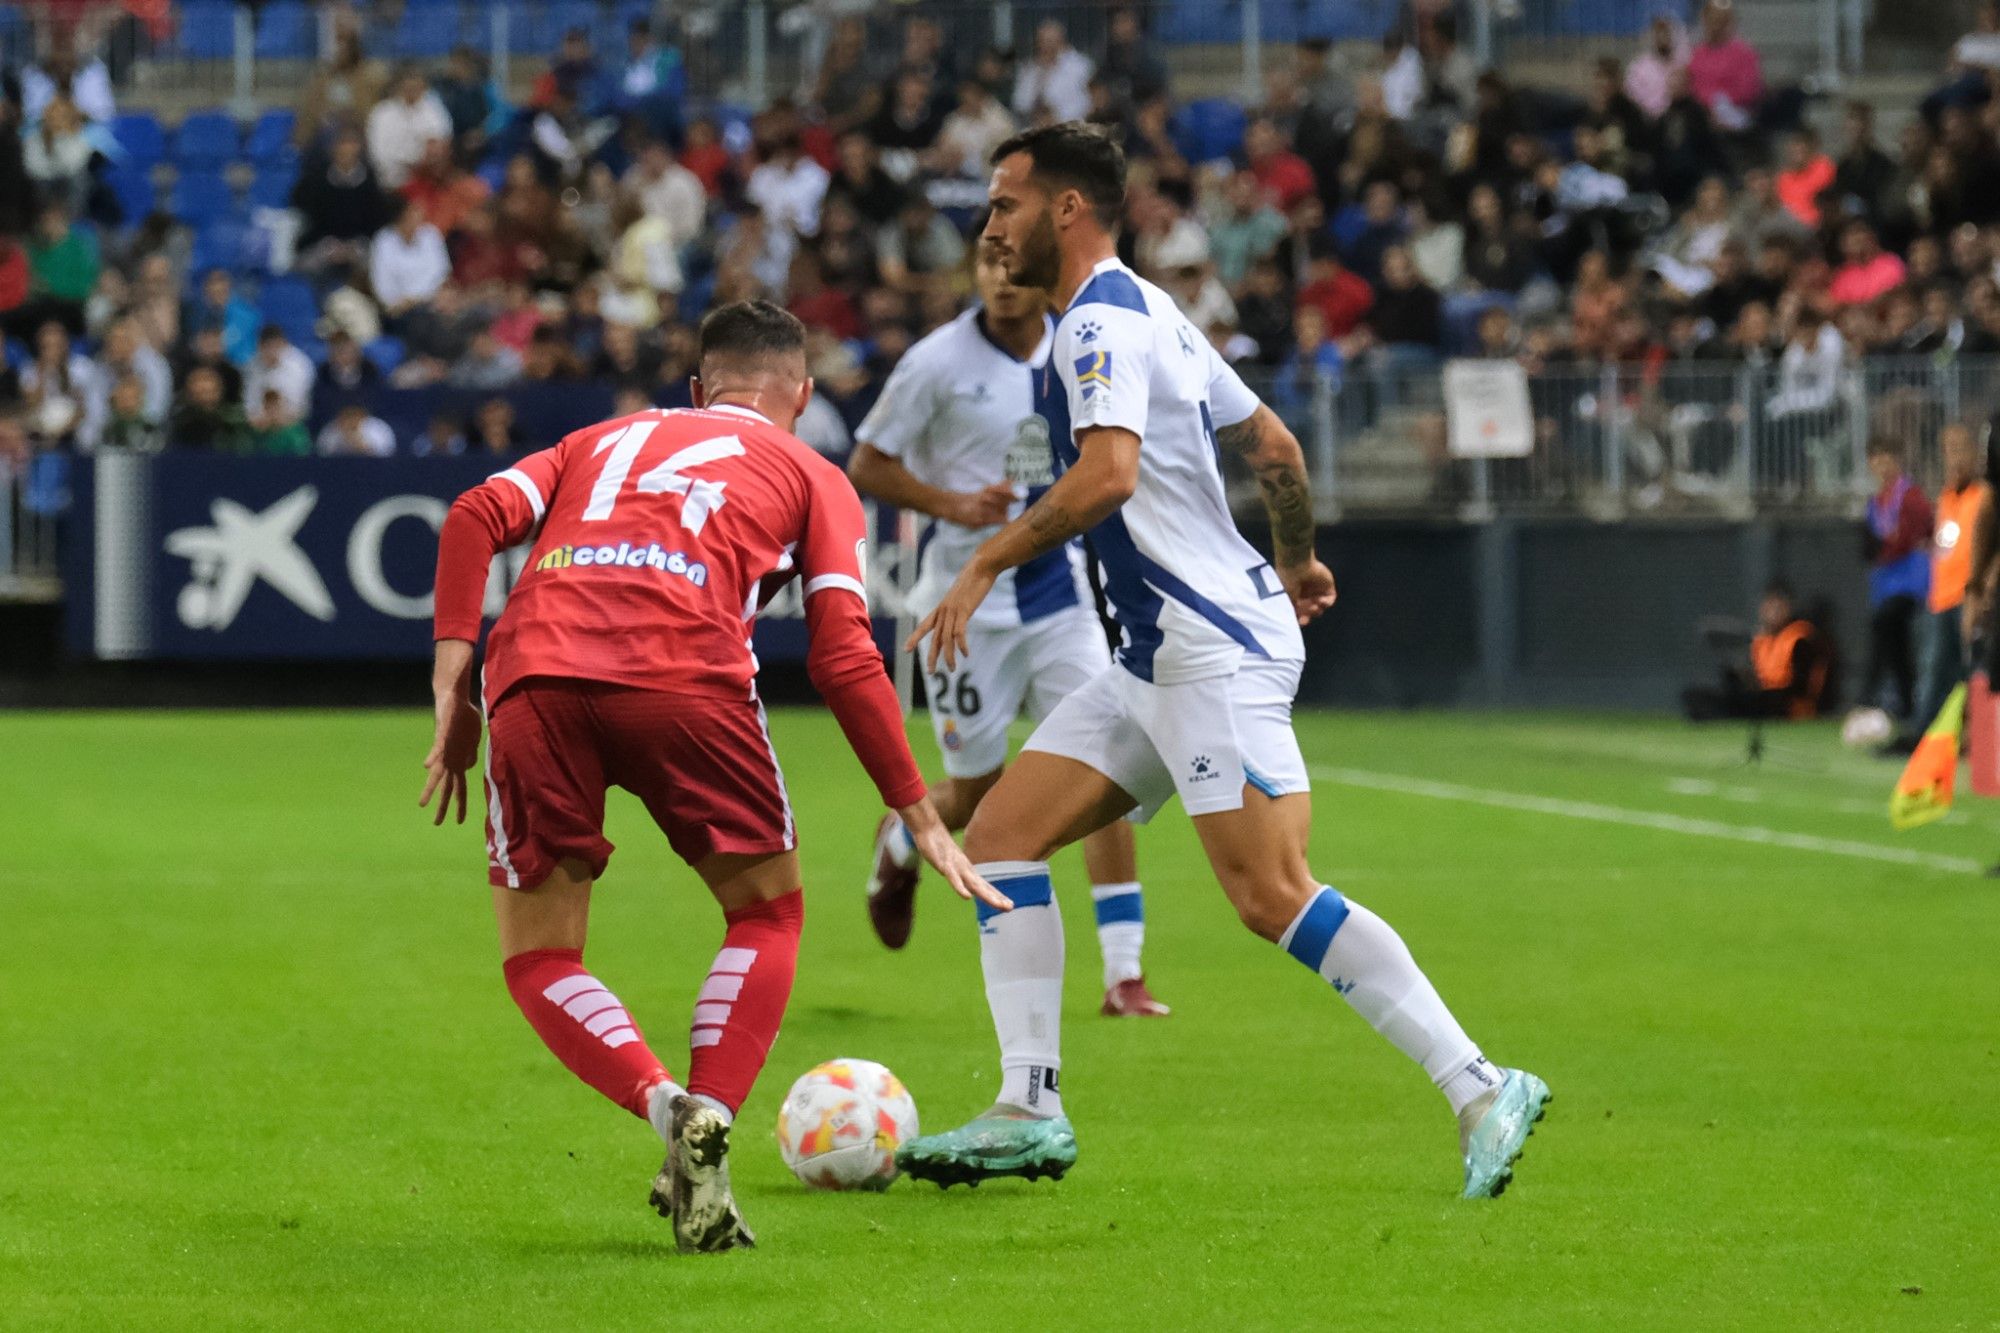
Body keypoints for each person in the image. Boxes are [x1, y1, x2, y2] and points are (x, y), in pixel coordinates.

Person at [893, 124, 1547, 1197]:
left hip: (1201, 649)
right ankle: (1028, 1105)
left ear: (1066, 209)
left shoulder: (1097, 324)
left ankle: (1480, 1082)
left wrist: (982, 566)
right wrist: (1294, 563)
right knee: (1003, 837)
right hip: (1159, 657)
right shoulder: (1153, 310)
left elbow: (1106, 475)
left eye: (1005, 203)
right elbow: (1275, 451)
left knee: (1269, 890)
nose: (988, 225)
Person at [417, 301, 1004, 1252]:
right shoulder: (814, 473)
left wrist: (452, 672)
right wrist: (914, 807)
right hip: (688, 680)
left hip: (532, 675)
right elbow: (844, 654)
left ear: (697, 390)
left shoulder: (598, 439)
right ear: (803, 398)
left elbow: (476, 514)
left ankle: (665, 1108)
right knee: (766, 912)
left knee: (541, 957)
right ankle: (715, 1113)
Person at [848, 241, 1166, 1016]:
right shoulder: (934, 362)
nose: (999, 277)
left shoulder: (1078, 347)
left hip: (1059, 597)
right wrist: (952, 505)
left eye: (1010, 262)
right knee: (983, 791)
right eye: (985, 264)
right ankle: (901, 836)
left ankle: (1123, 975)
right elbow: (867, 464)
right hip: (963, 605)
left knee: (1108, 766)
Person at [1910, 424, 1988, 735]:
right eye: (1949, 450)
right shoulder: (1945, 497)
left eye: (1961, 449)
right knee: (1937, 670)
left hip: (1968, 597)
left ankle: (1978, 737)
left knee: (1974, 671)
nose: (1955, 458)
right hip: (1941, 597)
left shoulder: (1984, 496)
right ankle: (1929, 735)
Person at [1682, 581, 1830, 721]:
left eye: (1779, 606)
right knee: (1696, 696)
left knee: (1758, 701)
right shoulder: (1761, 639)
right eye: (1769, 605)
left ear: (1789, 608)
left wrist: (1761, 689)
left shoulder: (1800, 637)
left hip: (1786, 704)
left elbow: (1800, 687)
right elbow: (1755, 676)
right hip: (1760, 697)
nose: (1773, 612)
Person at [1863, 434, 1933, 727]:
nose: (1881, 464)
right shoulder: (1875, 502)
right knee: (1888, 636)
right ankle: (1898, 700)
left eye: (1887, 457)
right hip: (1886, 582)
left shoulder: (1911, 496)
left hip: (1910, 581)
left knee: (1889, 624)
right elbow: (1869, 546)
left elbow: (1911, 536)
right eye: (1876, 458)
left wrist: (1889, 545)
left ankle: (1902, 699)